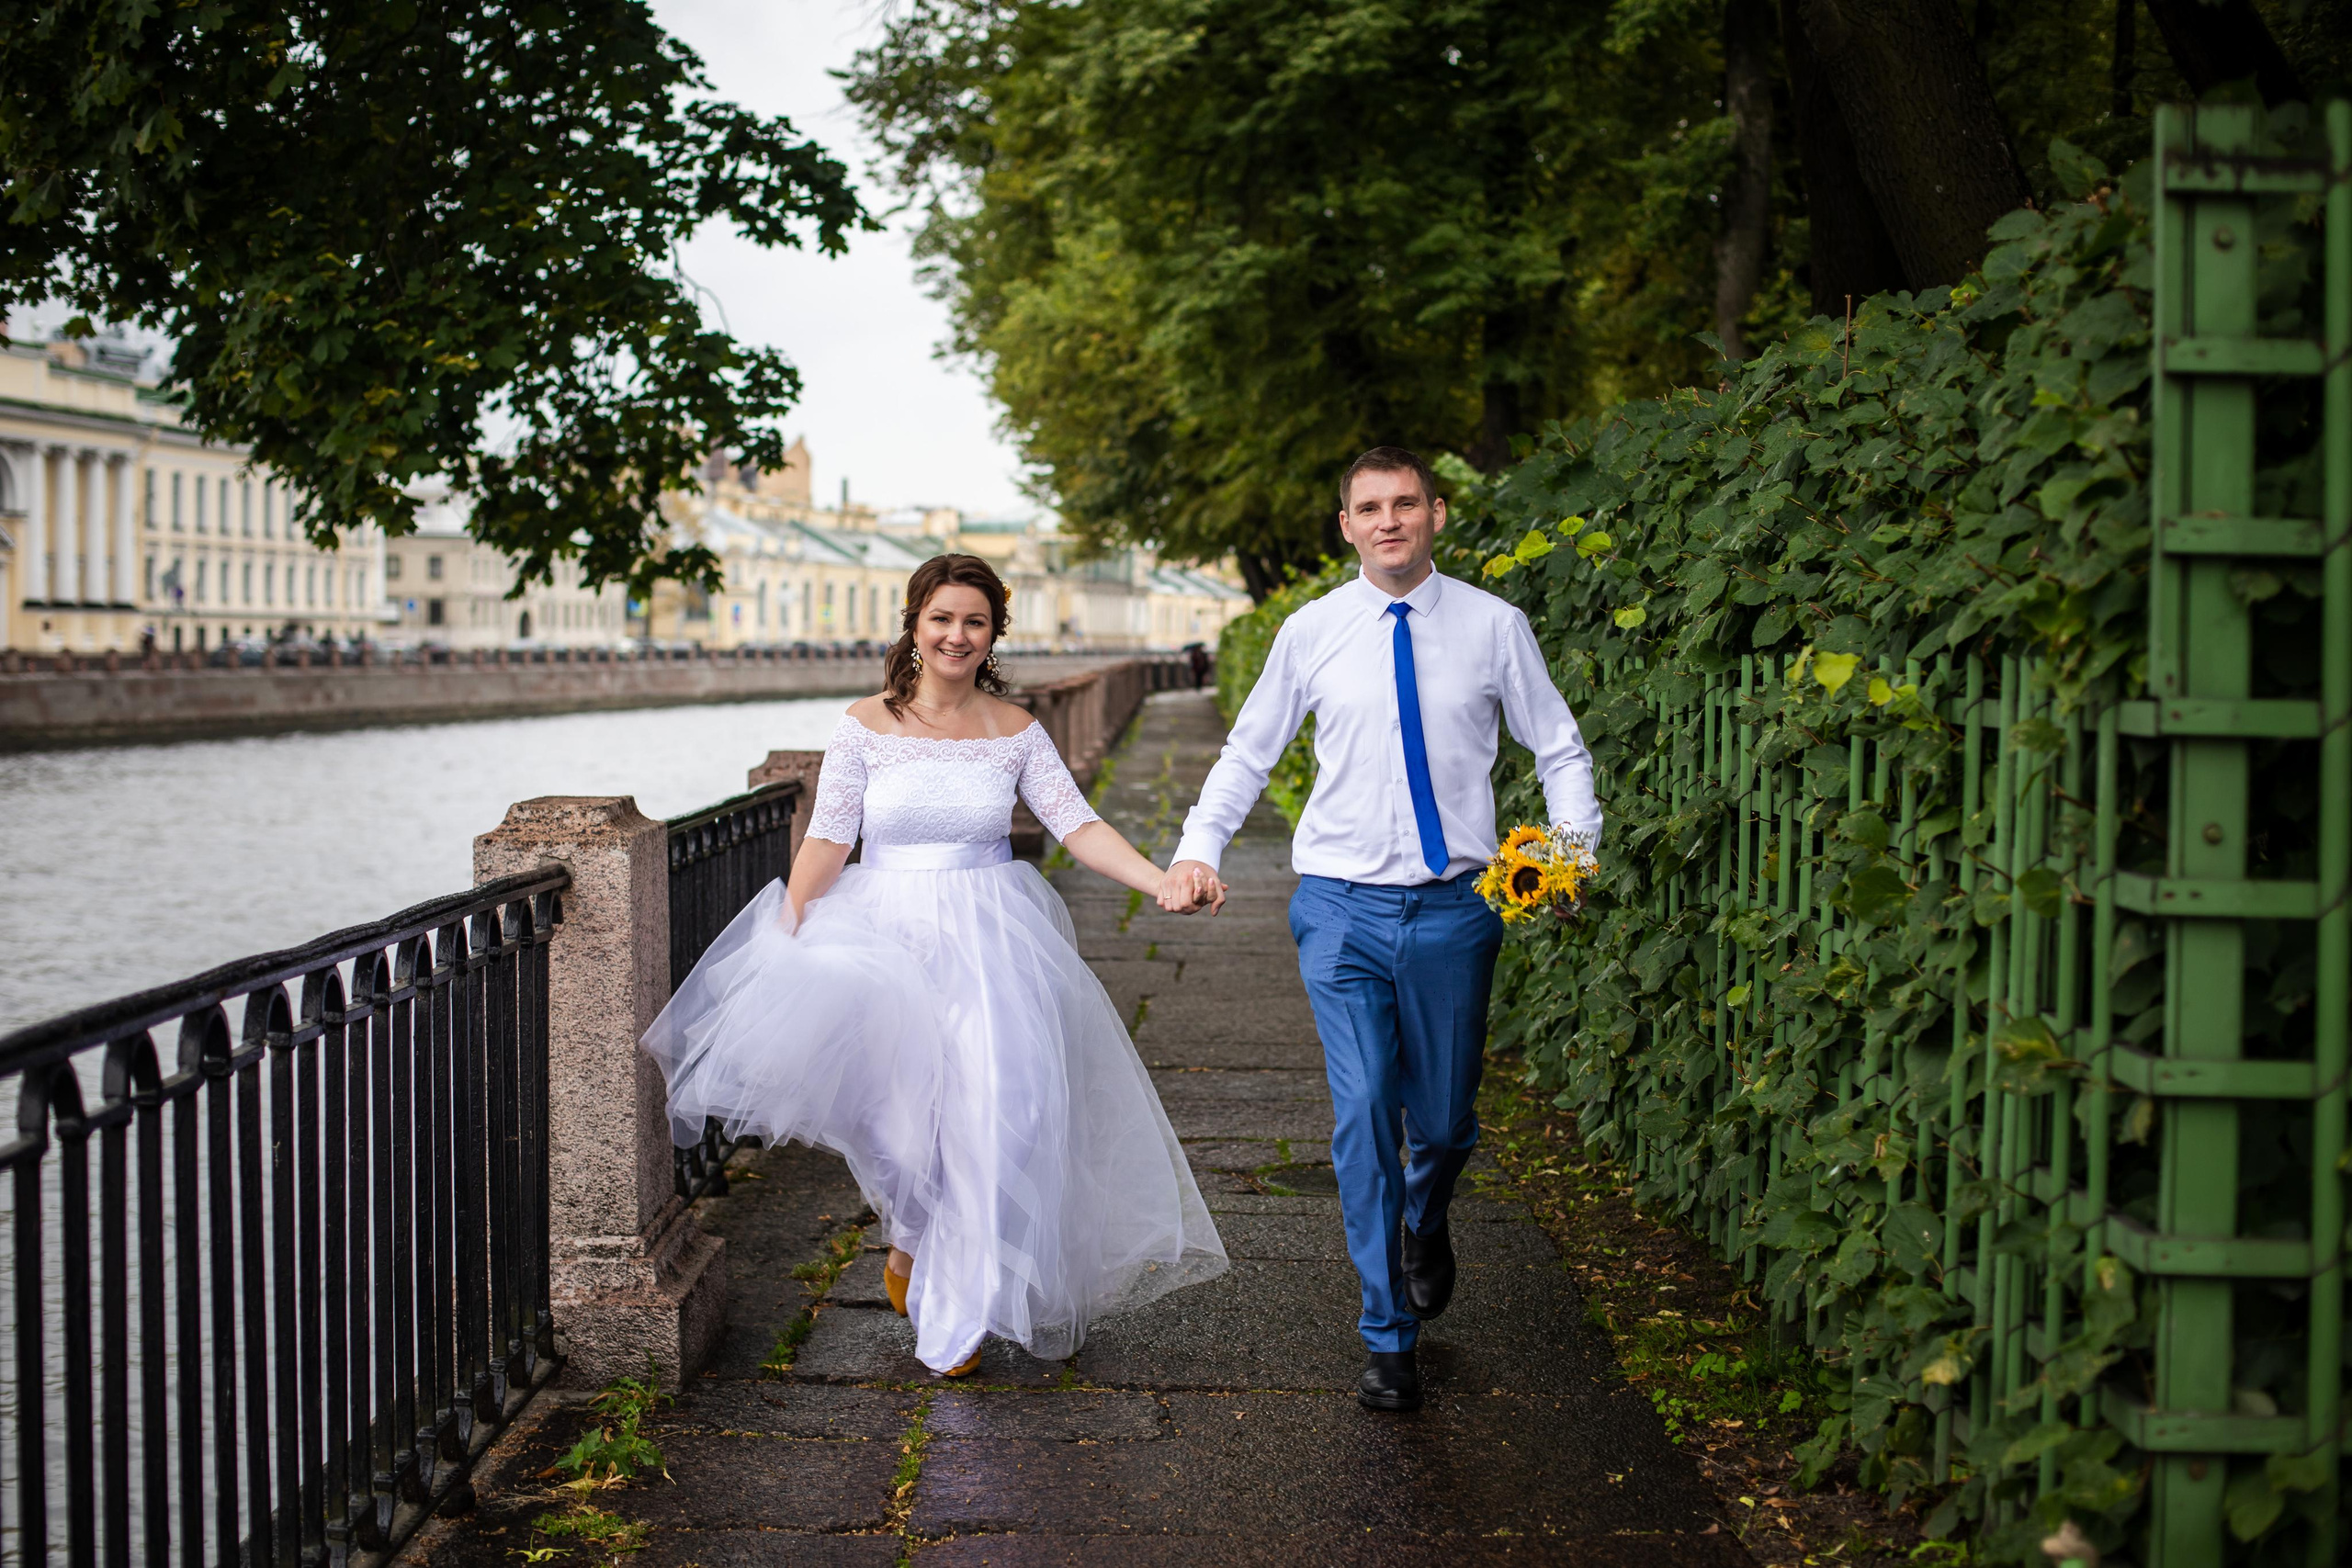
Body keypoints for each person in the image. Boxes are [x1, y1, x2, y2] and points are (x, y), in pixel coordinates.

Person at [644, 554, 1227, 1377]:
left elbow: (1080, 826)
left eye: (975, 621)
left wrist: (1162, 877)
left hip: (992, 932)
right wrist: (791, 923)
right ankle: (912, 1239)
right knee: (903, 1126)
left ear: (993, 634)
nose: (957, 635)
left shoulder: (1017, 729)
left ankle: (957, 1317)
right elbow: (828, 837)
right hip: (885, 932)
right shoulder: (864, 726)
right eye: (943, 618)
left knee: (1004, 1111)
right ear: (915, 624)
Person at [1159, 446, 1600, 1413]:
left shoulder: (1493, 627)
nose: (1389, 520)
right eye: (1369, 507)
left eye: (1405, 503)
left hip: (1455, 908)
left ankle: (1424, 1220)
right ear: (1347, 525)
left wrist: (1566, 857)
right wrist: (1199, 849)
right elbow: (1246, 751)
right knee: (1361, 1118)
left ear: (1435, 513)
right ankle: (1385, 1334)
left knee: (1440, 1127)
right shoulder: (1310, 631)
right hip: (1339, 910)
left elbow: (1558, 746)